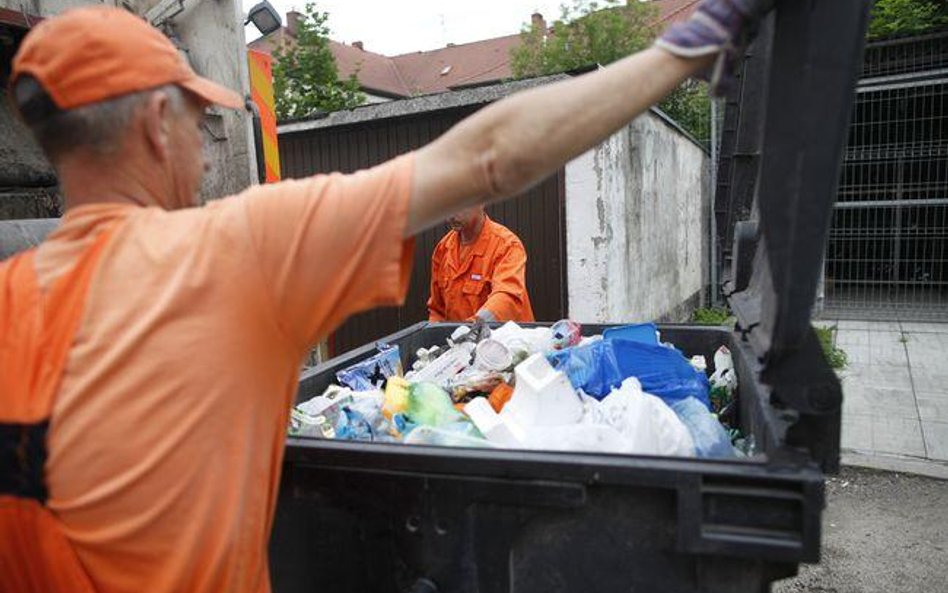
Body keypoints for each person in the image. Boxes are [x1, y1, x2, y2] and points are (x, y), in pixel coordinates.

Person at [0, 2, 772, 592]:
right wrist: (686, 47)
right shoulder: (229, 257)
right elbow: (489, 155)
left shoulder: (9, 295)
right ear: (154, 121)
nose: (207, 152)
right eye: (200, 120)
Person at [428, 205, 534, 323]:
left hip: (507, 339)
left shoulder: (506, 246)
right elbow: (437, 311)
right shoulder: (443, 250)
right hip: (463, 339)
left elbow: (506, 297)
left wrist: (473, 327)